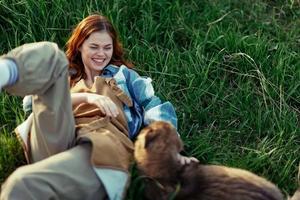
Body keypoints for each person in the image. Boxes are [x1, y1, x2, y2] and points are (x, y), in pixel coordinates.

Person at [0, 14, 197, 200]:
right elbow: (30, 104)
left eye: (107, 47)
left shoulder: (123, 76)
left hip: (101, 143)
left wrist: (172, 153)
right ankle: (7, 69)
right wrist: (86, 98)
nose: (101, 54)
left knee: (21, 183)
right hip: (58, 135)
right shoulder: (66, 76)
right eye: (94, 46)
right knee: (55, 57)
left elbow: (157, 110)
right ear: (80, 46)